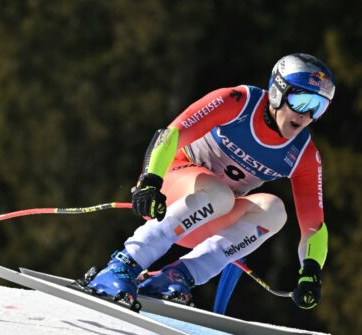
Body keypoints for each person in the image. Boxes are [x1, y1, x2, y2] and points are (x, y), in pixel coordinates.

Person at [86, 53, 335, 310]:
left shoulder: (303, 154)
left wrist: (311, 271)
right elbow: (171, 135)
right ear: (276, 92)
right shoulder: (239, 102)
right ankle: (125, 263)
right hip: (169, 192)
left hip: (207, 217)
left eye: (318, 106)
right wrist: (150, 181)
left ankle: (177, 277)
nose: (306, 114)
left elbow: (314, 226)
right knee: (220, 195)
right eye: (301, 100)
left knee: (274, 211)